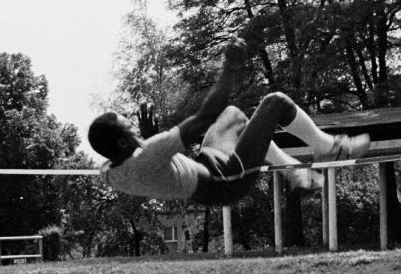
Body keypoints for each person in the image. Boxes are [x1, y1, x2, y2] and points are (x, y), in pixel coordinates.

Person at [88, 39, 370, 207]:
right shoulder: (145, 158)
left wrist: (147, 139)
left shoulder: (112, 171)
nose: (136, 129)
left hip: (208, 166)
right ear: (122, 142)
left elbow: (150, 166)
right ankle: (331, 147)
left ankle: (294, 172)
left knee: (234, 115)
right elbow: (202, 119)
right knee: (275, 102)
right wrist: (229, 68)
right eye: (130, 127)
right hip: (224, 182)